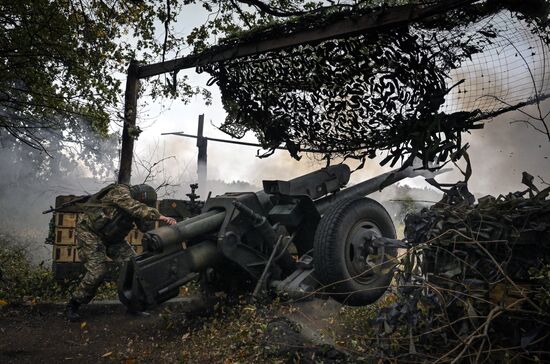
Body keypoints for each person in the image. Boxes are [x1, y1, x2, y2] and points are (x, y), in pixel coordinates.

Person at [66, 183, 176, 321]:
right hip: (91, 233)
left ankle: (133, 305)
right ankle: (74, 304)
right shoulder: (120, 191)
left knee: (134, 266)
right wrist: (161, 216)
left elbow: (145, 228)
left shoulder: (137, 208)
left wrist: (167, 230)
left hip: (114, 239)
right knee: (98, 270)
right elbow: (135, 207)